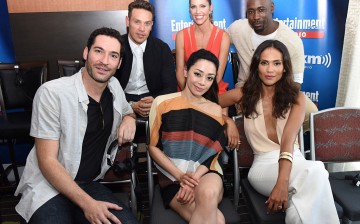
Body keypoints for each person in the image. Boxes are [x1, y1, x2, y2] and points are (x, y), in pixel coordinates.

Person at [14, 27, 139, 224]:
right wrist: (88, 204)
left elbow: (126, 110)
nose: (105, 61)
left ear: (119, 63)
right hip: (49, 184)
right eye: (98, 51)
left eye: (113, 55)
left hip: (88, 183)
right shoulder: (52, 93)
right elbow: (47, 161)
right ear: (85, 53)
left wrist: (130, 118)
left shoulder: (114, 86)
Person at [219, 40, 339, 224]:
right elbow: (206, 105)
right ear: (256, 66)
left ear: (284, 68)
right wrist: (227, 120)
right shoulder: (243, 94)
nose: (270, 69)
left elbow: (288, 141)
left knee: (302, 200)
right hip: (262, 168)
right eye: (264, 63)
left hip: (294, 161)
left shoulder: (297, 98)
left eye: (277, 63)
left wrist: (282, 183)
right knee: (316, 171)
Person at [149, 49, 227, 223]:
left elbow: (213, 152)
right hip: (172, 175)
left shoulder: (215, 109)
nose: (202, 82)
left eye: (209, 78)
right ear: (185, 71)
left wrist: (193, 179)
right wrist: (180, 177)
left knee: (207, 193)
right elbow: (152, 147)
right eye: (197, 74)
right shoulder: (162, 102)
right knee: (218, 219)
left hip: (206, 172)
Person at [226, 0, 318, 132]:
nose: (256, 16)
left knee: (312, 114)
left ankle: (288, 142)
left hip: (281, 91)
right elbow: (217, 40)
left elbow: (296, 82)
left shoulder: (291, 40)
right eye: (251, 12)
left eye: (261, 10)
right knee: (259, 120)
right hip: (247, 90)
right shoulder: (238, 29)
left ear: (272, 8)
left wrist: (275, 100)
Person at [175, 0, 239, 149]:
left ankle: (216, 158)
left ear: (211, 8)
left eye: (202, 6)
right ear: (189, 10)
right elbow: (179, 71)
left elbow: (218, 77)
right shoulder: (181, 36)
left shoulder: (223, 37)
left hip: (213, 89)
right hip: (186, 89)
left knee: (218, 120)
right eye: (193, 6)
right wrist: (191, 95)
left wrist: (202, 97)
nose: (198, 11)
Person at [115, 0, 177, 118]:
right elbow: (107, 85)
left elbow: (171, 87)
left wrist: (155, 101)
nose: (142, 29)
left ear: (152, 25)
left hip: (152, 98)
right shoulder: (116, 46)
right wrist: (130, 104)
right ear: (127, 21)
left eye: (147, 23)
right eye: (137, 22)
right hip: (122, 99)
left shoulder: (162, 48)